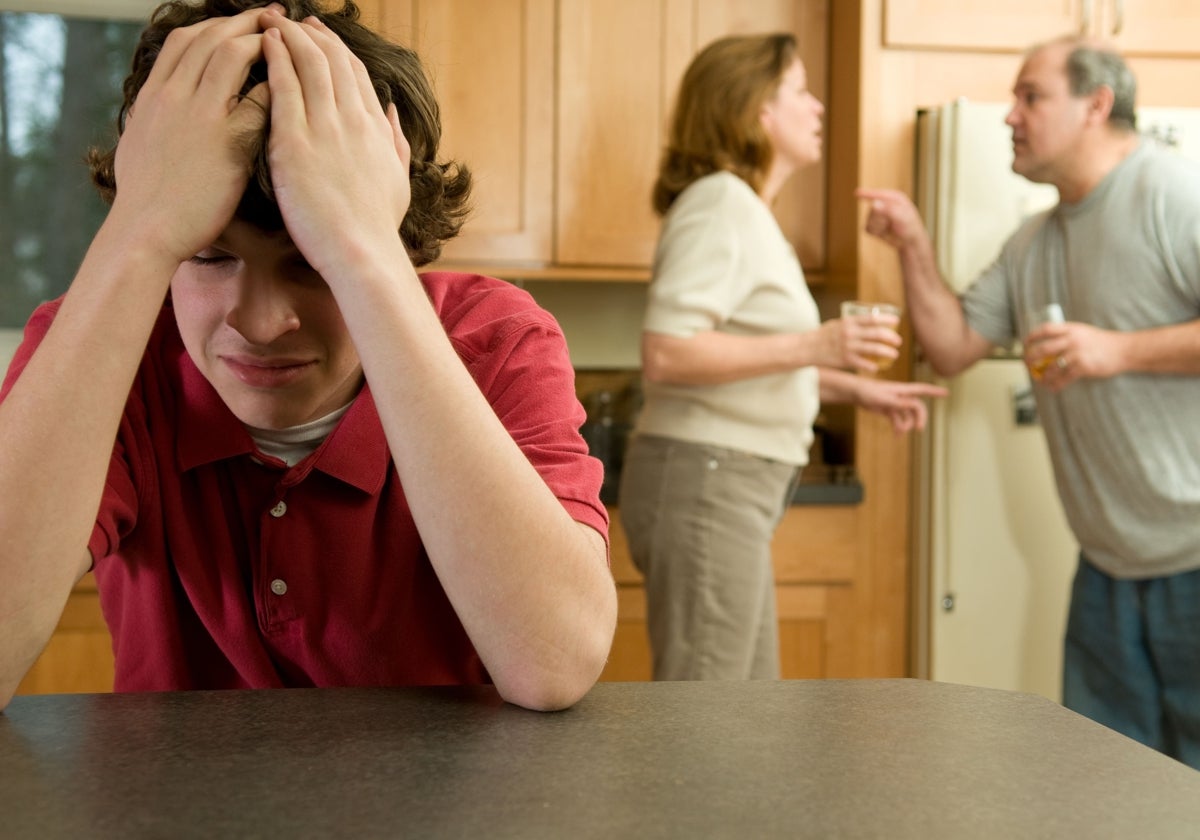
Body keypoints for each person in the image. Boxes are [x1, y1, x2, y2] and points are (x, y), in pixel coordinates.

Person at [0, 0, 617, 713]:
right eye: (206, 254)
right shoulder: (104, 343)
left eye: (314, 262)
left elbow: (554, 665)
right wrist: (141, 227)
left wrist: (362, 250)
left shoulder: (494, 339)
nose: (261, 324)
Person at [858, 36, 1200, 768]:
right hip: (1107, 565)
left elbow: (1118, 350)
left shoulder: (1171, 194)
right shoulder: (1032, 242)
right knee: (1103, 782)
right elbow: (952, 350)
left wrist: (1120, 349)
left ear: (1095, 106)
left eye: (1031, 97)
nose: (1009, 116)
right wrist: (914, 244)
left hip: (1193, 557)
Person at [617, 33, 946, 682]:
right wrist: (818, 343)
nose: (818, 106)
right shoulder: (719, 205)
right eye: (799, 90)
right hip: (708, 479)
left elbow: (743, 357)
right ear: (757, 110)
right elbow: (668, 353)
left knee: (744, 711)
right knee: (709, 720)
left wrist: (856, 390)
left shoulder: (742, 210)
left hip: (724, 482)